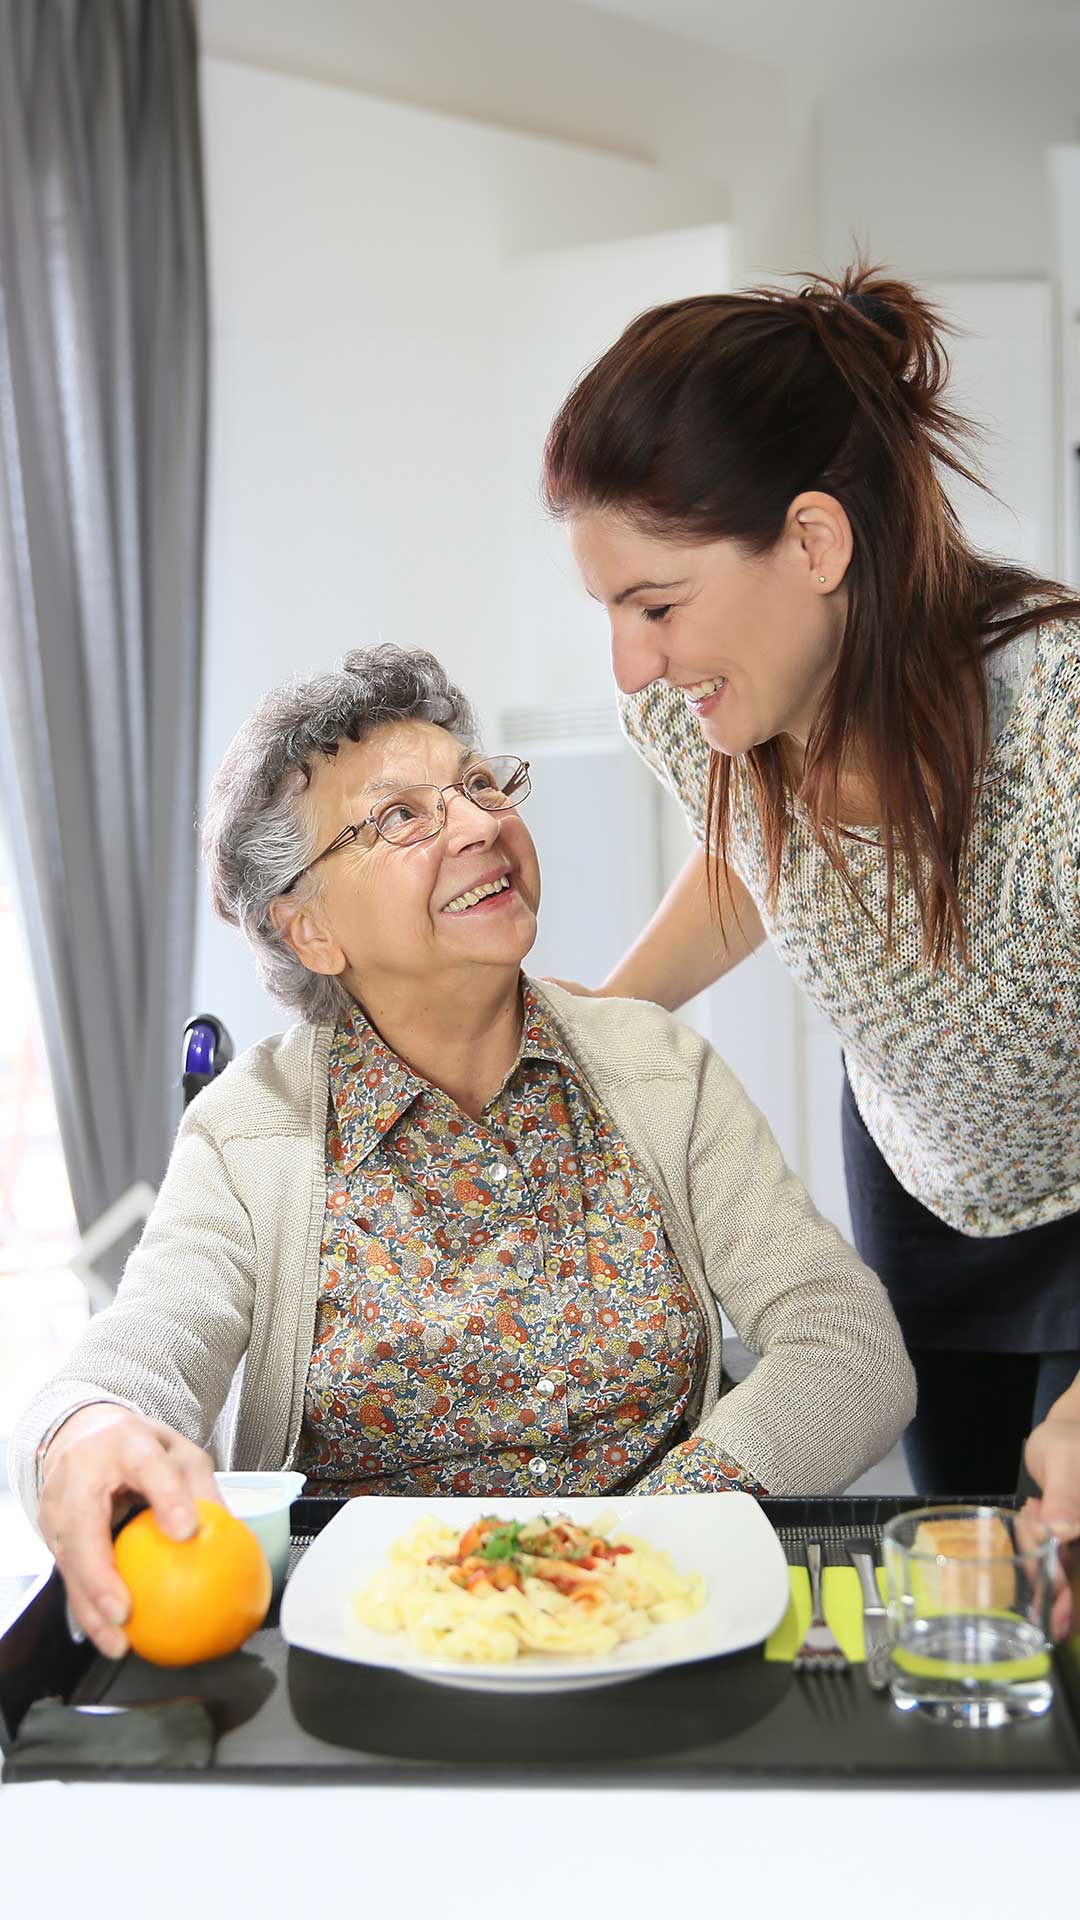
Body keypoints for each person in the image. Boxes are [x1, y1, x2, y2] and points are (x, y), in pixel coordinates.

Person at [11, 645, 912, 1661]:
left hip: (657, 1620)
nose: (483, 824)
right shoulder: (246, 1131)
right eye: (401, 816)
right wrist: (84, 1431)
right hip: (365, 1648)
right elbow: (147, 1344)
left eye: (480, 786)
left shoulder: (656, 1068)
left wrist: (644, 1533)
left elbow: (848, 1343)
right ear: (307, 928)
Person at [541, 260, 1080, 1543]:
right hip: (916, 1176)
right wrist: (608, 1021)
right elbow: (761, 863)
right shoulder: (701, 709)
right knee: (962, 1545)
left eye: (656, 605)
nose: (631, 663)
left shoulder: (1055, 720)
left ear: (815, 541)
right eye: (610, 610)